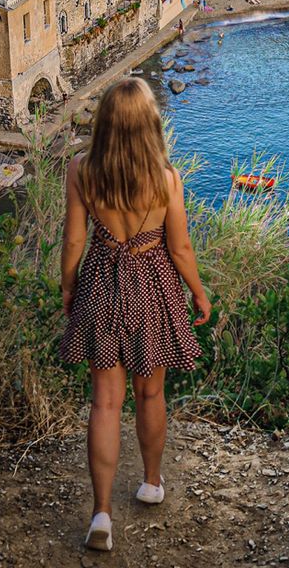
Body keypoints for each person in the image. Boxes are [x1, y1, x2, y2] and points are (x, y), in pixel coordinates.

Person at [60, 78, 211, 553]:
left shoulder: (82, 170)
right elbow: (180, 247)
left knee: (105, 402)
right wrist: (199, 294)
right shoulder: (166, 178)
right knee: (151, 392)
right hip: (153, 288)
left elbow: (74, 241)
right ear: (150, 124)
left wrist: (68, 287)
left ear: (104, 123)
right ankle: (150, 482)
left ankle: (101, 513)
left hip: (102, 284)